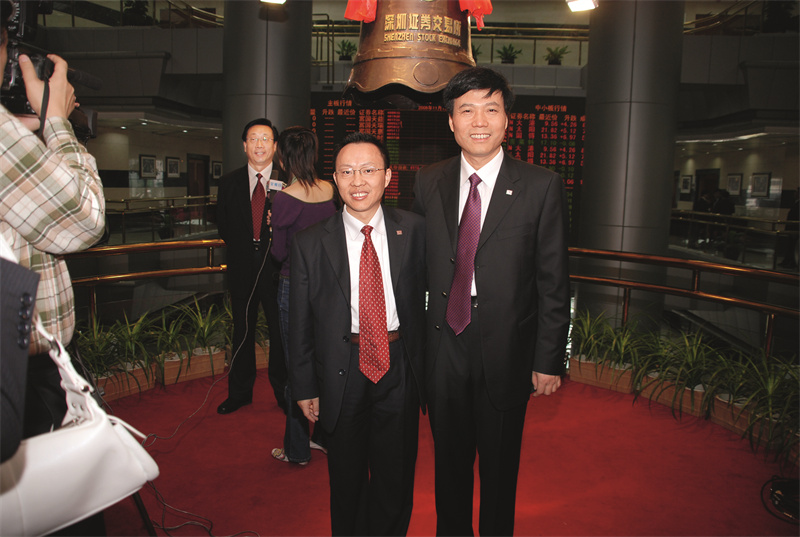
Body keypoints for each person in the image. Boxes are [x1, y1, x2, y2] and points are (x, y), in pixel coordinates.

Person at [412, 66, 570, 536]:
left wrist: (549, 359)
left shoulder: (541, 185)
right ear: (451, 121)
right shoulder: (428, 181)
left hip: (506, 349)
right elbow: (413, 266)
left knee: (500, 470)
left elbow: (554, 281)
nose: (479, 121)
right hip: (444, 342)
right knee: (448, 465)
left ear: (506, 120)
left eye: (491, 109)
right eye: (467, 110)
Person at [0, 0, 106, 532]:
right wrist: (57, 124)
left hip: (28, 361)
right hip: (21, 368)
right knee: (60, 510)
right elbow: (84, 221)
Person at [289, 132, 426, 535]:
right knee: (345, 478)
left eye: (368, 170)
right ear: (334, 179)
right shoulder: (309, 243)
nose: (358, 181)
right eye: (347, 172)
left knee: (395, 475)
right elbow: (299, 324)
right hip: (341, 369)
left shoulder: (416, 230)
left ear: (388, 176)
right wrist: (304, 385)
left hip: (399, 366)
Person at [268, 126, 337, 464]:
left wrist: (273, 226)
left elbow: (279, 253)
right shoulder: (330, 190)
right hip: (327, 287)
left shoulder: (284, 198)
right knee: (325, 362)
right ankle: (323, 436)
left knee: (296, 366)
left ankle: (296, 449)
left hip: (292, 286)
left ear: (283, 158)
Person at [216, 118, 286, 414]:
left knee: (280, 333)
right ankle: (239, 393)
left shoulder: (288, 182)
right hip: (242, 268)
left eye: (266, 139)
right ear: (244, 145)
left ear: (275, 146)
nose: (259, 144)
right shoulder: (228, 182)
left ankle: (284, 393)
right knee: (242, 331)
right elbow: (223, 225)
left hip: (277, 269)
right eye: (253, 138)